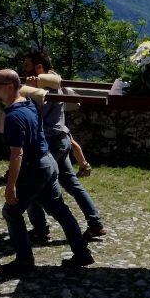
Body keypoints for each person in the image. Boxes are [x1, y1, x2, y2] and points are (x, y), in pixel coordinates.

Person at [0, 69, 94, 275]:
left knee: (11, 211)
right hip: (48, 163)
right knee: (60, 210)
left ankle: (24, 261)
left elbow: (17, 154)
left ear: (10, 87)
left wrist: (10, 186)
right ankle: (82, 253)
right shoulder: (28, 104)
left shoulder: (15, 115)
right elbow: (3, 128)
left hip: (34, 169)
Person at [21, 51, 106, 242]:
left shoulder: (43, 88)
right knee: (72, 184)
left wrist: (28, 90)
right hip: (62, 139)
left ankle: (41, 229)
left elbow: (33, 114)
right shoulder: (56, 82)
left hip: (48, 142)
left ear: (38, 67)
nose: (24, 69)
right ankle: (95, 224)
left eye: (27, 65)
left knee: (31, 184)